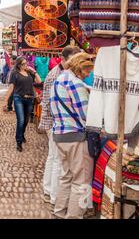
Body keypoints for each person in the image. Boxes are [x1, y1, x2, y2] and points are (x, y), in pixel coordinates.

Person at [50, 52, 94, 219]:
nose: (88, 74)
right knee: (81, 182)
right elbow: (86, 114)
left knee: (66, 176)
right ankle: (75, 216)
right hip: (75, 136)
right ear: (79, 68)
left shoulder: (59, 80)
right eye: (86, 71)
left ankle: (59, 213)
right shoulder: (76, 84)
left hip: (60, 135)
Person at [39, 46, 81, 206]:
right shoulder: (55, 75)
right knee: (57, 160)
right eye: (72, 60)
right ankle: (55, 196)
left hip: (56, 122)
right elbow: (50, 104)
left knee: (53, 157)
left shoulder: (62, 73)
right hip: (55, 123)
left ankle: (49, 190)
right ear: (64, 59)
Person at [4, 56, 42, 152]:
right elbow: (11, 87)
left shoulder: (29, 72)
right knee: (20, 120)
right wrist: (6, 101)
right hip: (19, 99)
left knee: (26, 121)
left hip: (30, 100)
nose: (26, 65)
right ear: (19, 65)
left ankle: (22, 133)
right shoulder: (14, 74)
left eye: (26, 63)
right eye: (23, 64)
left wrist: (34, 71)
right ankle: (19, 141)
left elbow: (39, 81)